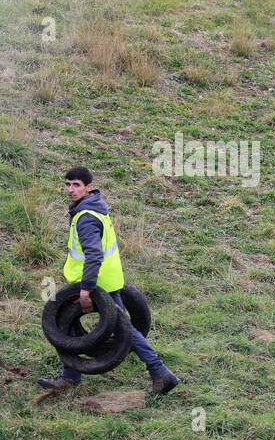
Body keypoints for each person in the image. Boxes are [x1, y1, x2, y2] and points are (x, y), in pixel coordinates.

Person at [36, 168, 180, 395]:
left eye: (76, 185)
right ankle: (71, 376)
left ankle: (159, 371)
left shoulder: (86, 218)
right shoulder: (95, 209)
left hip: (95, 285)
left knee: (124, 329)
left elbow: (94, 254)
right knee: (70, 322)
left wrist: (86, 289)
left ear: (88, 187)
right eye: (67, 184)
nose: (70, 190)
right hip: (105, 282)